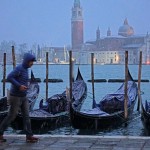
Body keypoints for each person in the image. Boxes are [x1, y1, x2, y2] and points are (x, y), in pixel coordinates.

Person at [0, 53, 39, 143]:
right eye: (31, 61)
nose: (32, 63)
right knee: (11, 116)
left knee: (26, 116)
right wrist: (19, 86)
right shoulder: (19, 68)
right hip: (15, 97)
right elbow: (9, 77)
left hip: (24, 96)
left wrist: (25, 86)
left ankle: (29, 136)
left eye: (33, 62)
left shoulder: (26, 69)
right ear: (26, 61)